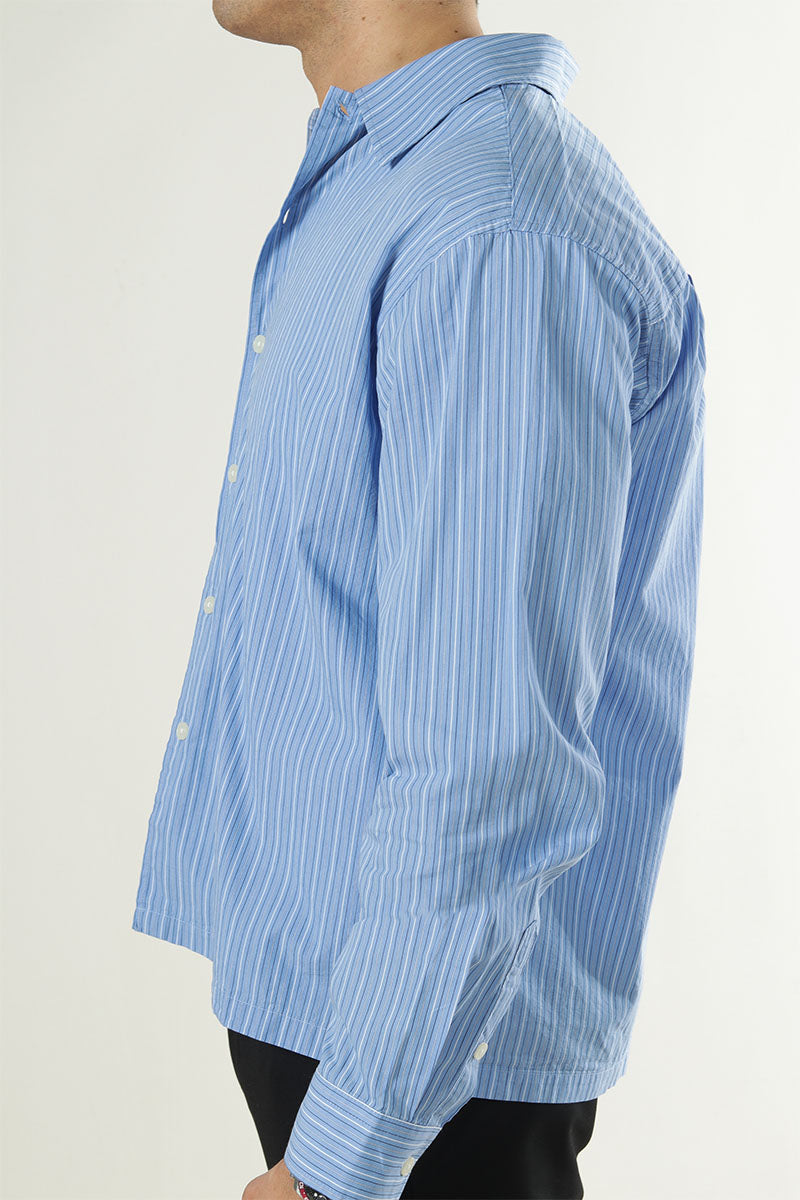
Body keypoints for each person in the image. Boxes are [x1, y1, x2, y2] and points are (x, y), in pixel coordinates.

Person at [130, 3, 706, 1199]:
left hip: (426, 1086)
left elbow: (490, 764)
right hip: (370, 1037)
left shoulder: (491, 227)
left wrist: (342, 1158)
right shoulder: (387, 183)